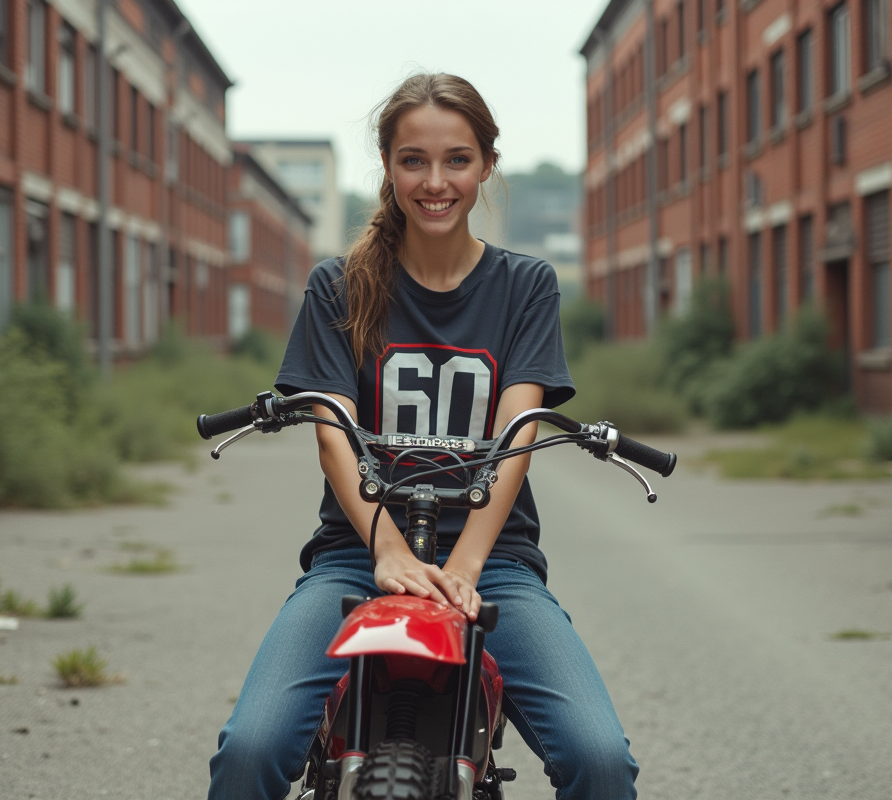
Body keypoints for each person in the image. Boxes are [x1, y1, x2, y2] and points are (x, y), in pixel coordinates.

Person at [207, 73, 640, 800]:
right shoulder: (337, 285)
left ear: (486, 166)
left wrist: (467, 564)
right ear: (387, 166)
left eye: (457, 160)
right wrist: (385, 548)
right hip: (356, 554)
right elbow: (331, 435)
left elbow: (517, 432)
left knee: (601, 761)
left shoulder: (525, 286)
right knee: (249, 751)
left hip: (494, 560)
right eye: (413, 160)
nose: (434, 181)